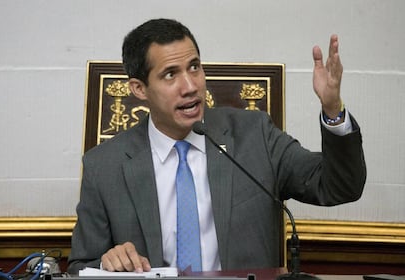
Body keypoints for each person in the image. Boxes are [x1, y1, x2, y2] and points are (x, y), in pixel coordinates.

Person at [67, 18, 366, 274]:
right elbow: (80, 266)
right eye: (171, 74)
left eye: (194, 67)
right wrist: (107, 264)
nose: (191, 86)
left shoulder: (255, 136)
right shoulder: (104, 166)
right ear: (139, 89)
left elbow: (339, 186)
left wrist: (332, 109)